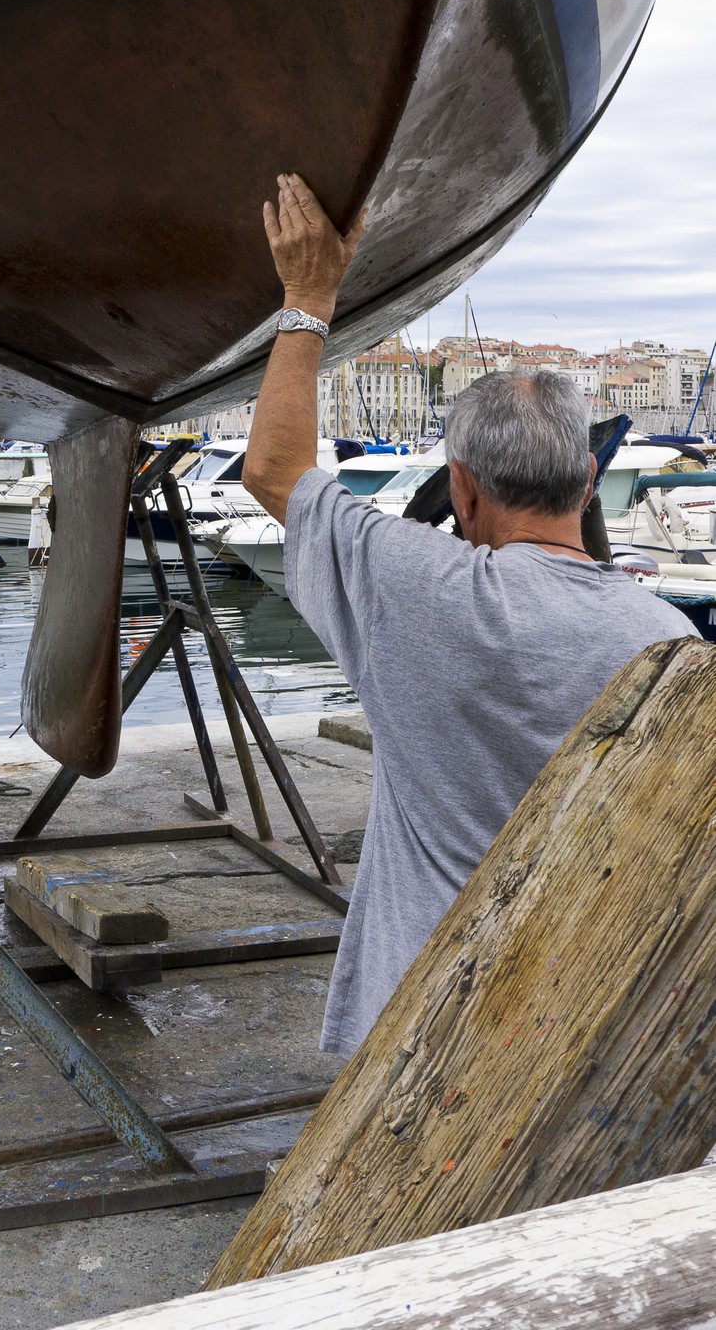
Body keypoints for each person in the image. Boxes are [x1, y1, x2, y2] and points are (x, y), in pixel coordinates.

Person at [242, 172, 697, 1057]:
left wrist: (308, 296)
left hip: (417, 1034)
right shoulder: (668, 643)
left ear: (460, 486)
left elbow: (272, 469)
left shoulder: (415, 589)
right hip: (584, 1032)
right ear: (589, 482)